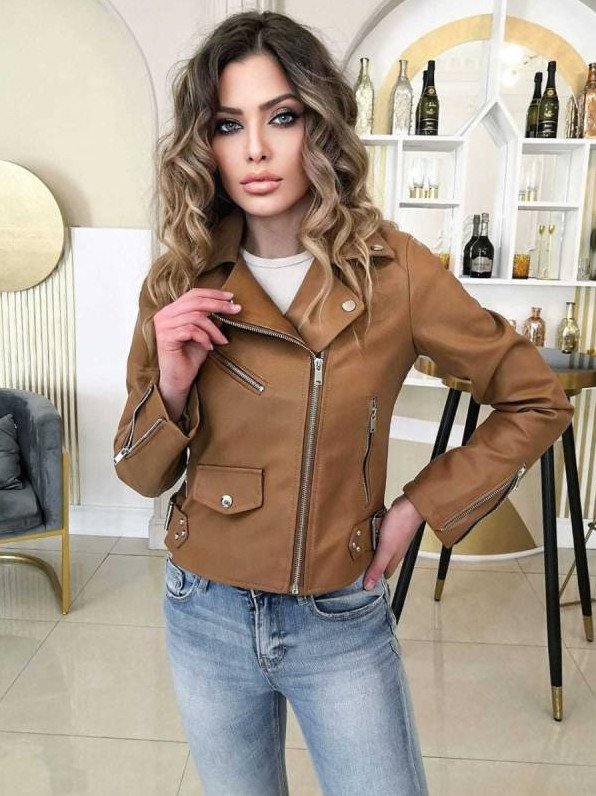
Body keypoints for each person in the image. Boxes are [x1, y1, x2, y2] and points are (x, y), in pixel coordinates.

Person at [112, 10, 574, 795]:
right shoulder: (181, 278)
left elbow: (536, 398)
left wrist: (418, 507)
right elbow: (137, 472)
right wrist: (174, 385)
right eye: (228, 124)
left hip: (338, 614)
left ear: (319, 125)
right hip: (203, 608)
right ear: (205, 143)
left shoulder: (395, 271)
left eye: (281, 117)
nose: (255, 150)